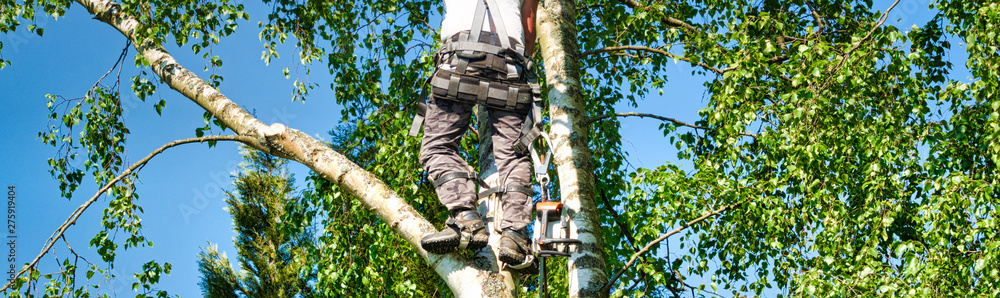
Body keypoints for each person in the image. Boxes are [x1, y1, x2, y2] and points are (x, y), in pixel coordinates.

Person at [418, 0, 541, 269]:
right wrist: (522, 64)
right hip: (510, 61)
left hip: (459, 58)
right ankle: (515, 236)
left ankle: (465, 218)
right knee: (514, 153)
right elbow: (529, 26)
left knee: (437, 147)